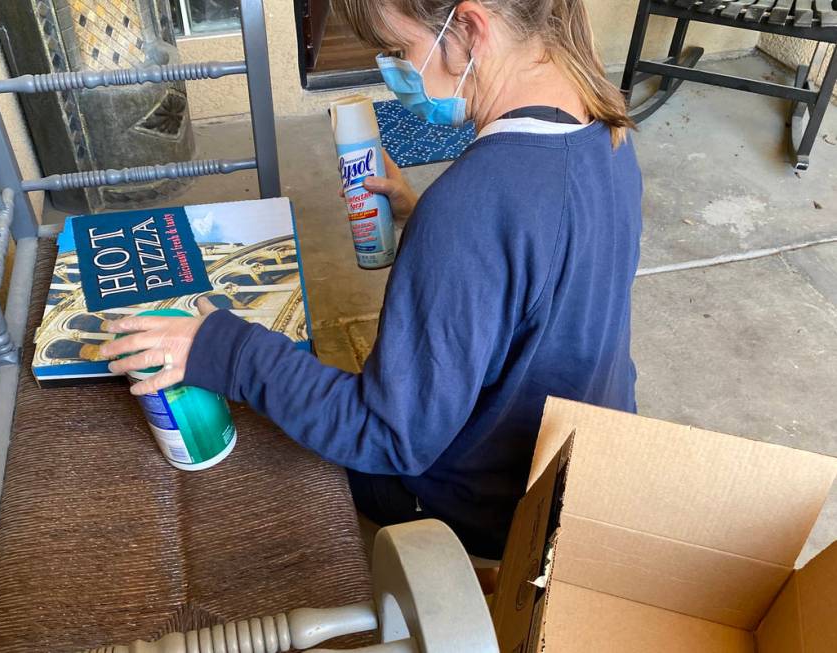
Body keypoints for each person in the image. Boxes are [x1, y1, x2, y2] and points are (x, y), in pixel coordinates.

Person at [100, 0, 641, 565]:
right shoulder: (604, 120)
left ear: (470, 28)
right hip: (577, 463)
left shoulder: (472, 206)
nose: (395, 72)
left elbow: (388, 437)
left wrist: (223, 349)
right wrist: (422, 214)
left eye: (399, 50)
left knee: (243, 433)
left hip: (485, 507)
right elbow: (545, 263)